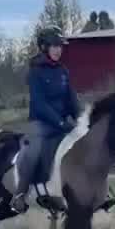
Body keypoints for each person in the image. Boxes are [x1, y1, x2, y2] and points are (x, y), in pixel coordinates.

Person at [18, 26, 78, 213]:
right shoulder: (35, 71)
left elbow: (71, 98)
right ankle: (20, 195)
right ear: (44, 47)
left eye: (60, 46)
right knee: (32, 151)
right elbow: (39, 103)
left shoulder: (63, 71)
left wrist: (81, 117)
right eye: (54, 46)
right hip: (41, 123)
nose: (59, 50)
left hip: (62, 123)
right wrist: (59, 122)